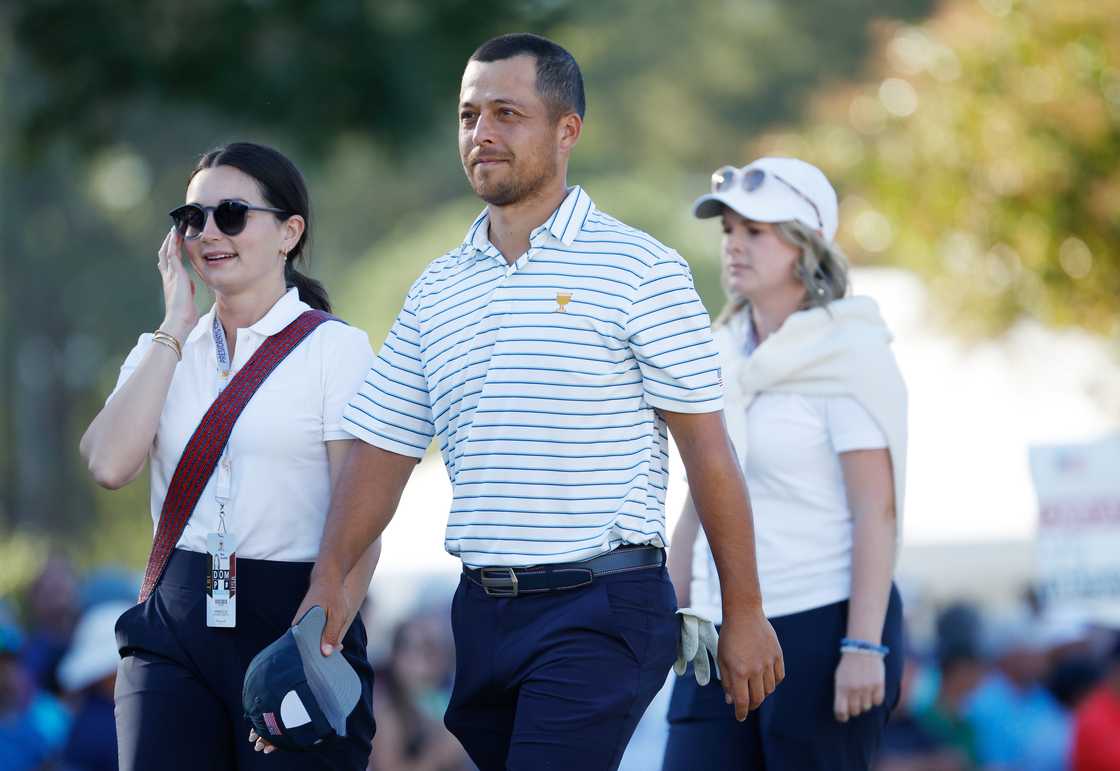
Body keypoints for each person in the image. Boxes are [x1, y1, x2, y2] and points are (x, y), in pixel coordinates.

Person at [296, 33, 783, 771]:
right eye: (469, 116)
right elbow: (381, 453)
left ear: (566, 131)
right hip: (481, 614)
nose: (481, 133)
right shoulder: (435, 289)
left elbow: (709, 452)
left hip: (602, 607)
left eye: (506, 113)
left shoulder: (642, 269)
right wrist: (327, 582)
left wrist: (744, 611)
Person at [79, 142, 379, 770]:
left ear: (289, 233)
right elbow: (108, 465)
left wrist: (318, 640)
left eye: (233, 215)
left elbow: (362, 520)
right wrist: (174, 324)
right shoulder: (164, 349)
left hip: (295, 616)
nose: (209, 233)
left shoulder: (336, 350)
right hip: (176, 618)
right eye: (193, 218)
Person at [663, 157, 908, 770]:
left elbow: (876, 511)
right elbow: (702, 494)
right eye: (729, 230)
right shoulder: (717, 352)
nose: (734, 245)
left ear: (807, 243)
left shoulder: (847, 349)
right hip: (715, 630)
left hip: (820, 624)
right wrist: (666, 603)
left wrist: (864, 645)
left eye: (756, 231)